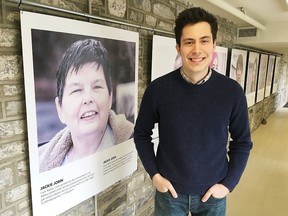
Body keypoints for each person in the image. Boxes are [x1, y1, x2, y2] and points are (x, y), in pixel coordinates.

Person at [134, 7, 252, 216]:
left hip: (213, 196)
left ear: (214, 45)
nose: (197, 50)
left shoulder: (231, 91)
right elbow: (141, 134)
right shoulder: (158, 89)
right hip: (170, 194)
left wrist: (228, 184)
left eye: (204, 41)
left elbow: (242, 141)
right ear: (178, 47)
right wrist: (154, 175)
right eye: (189, 42)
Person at [39, 39, 134, 172]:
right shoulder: (42, 164)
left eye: (97, 87)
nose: (88, 99)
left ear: (110, 97)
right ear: (60, 109)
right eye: (77, 90)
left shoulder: (133, 141)